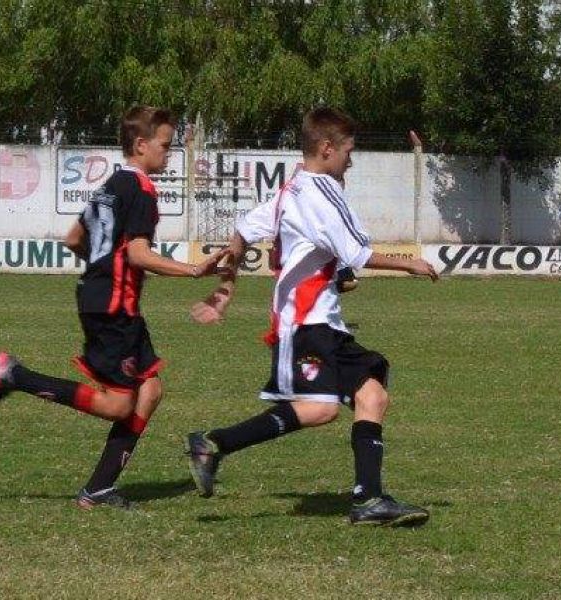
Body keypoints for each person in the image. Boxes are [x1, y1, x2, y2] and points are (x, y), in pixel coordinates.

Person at [185, 106, 438, 527]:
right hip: (305, 323)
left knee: (372, 396)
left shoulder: (293, 191)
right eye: (348, 151)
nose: (350, 160)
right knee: (320, 410)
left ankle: (369, 500)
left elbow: (243, 230)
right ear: (326, 149)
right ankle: (213, 444)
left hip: (327, 322)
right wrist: (410, 263)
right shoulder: (321, 192)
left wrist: (226, 290)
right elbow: (356, 253)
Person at [0, 105, 229, 509]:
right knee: (118, 404)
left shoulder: (111, 185)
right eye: (164, 144)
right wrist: (194, 271)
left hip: (102, 297)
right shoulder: (141, 189)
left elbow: (75, 238)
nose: (170, 151)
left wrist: (103, 264)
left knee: (151, 389)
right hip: (114, 306)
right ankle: (13, 375)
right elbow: (141, 255)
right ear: (141, 145)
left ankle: (99, 488)